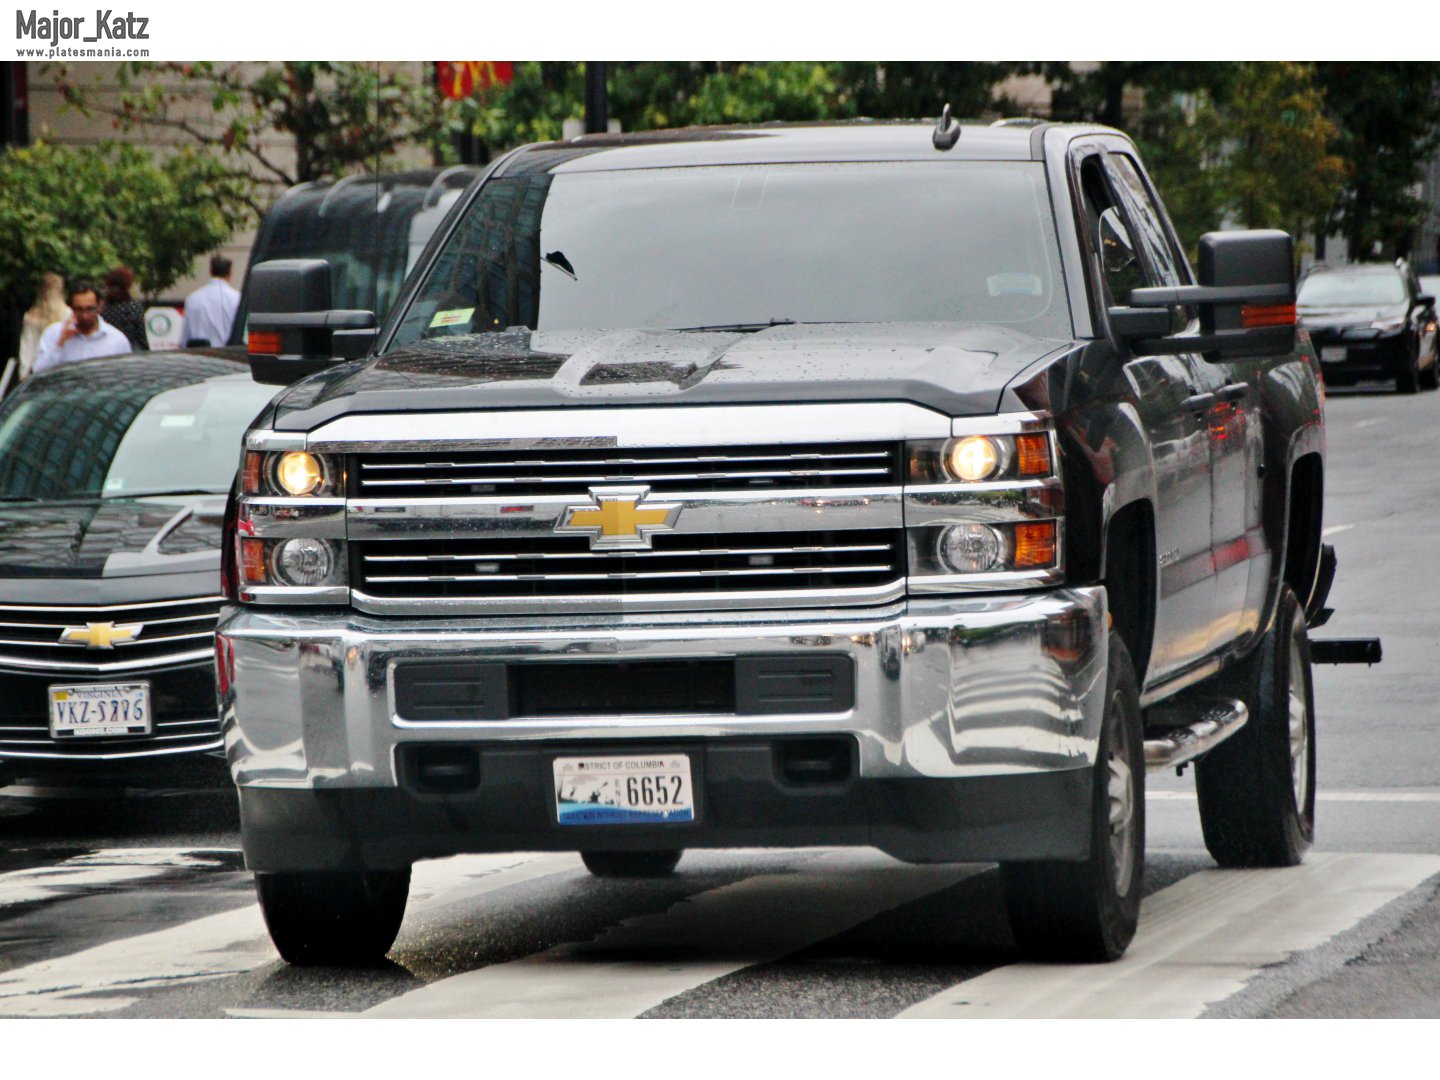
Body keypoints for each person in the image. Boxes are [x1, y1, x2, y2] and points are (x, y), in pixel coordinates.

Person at [31, 280, 133, 375]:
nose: (85, 316)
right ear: (71, 307)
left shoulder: (117, 340)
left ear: (99, 306)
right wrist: (60, 344)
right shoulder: (54, 333)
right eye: (79, 310)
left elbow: (126, 375)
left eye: (90, 309)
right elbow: (38, 371)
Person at [18, 272, 71, 379]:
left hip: (38, 369)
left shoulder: (31, 316)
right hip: (63, 367)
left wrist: (23, 372)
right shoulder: (68, 314)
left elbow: (27, 346)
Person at [179, 254, 240, 347]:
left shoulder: (193, 298)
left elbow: (184, 338)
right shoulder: (236, 298)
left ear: (210, 271)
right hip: (227, 355)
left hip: (198, 356)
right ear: (230, 273)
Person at [101, 267, 149, 352]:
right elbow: (141, 338)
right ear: (128, 286)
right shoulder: (134, 307)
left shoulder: (103, 307)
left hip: (106, 349)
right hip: (129, 351)